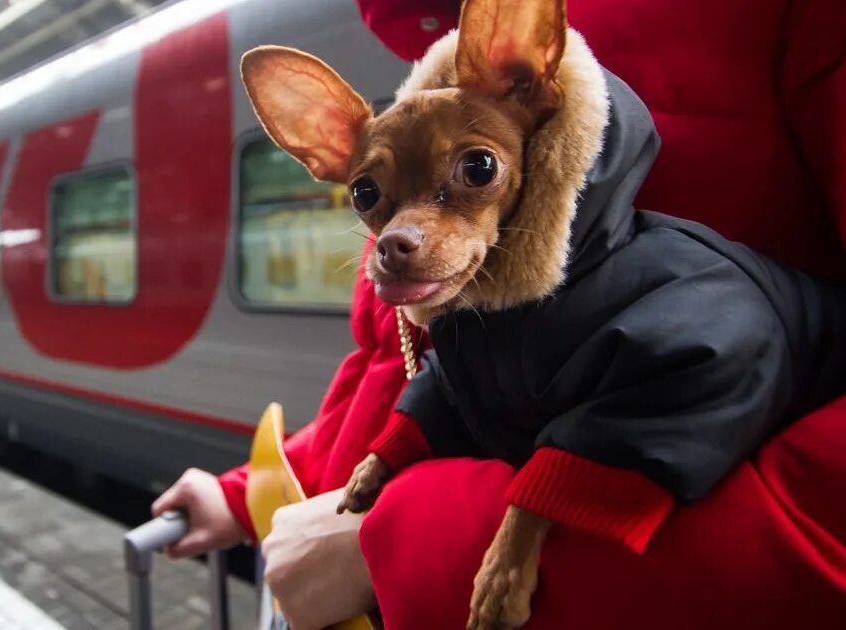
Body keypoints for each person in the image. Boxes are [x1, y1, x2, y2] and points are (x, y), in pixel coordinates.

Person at [153, 0, 846, 627]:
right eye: (369, 197)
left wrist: (404, 546)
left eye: (476, 172)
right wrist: (246, 497)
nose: (397, 229)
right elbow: (410, 368)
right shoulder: (424, 94)